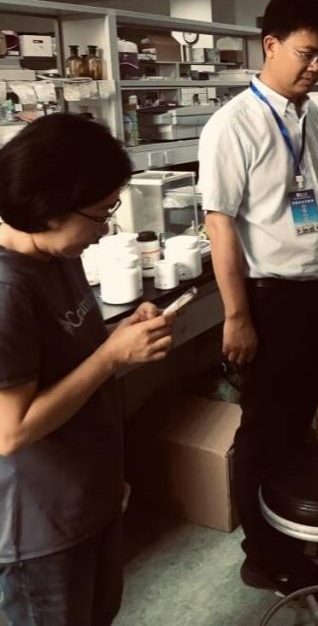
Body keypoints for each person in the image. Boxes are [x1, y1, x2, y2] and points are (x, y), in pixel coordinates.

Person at [0, 113, 175, 626]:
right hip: (40, 527)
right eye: (99, 215)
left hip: (90, 492)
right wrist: (111, 357)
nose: (104, 230)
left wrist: (124, 338)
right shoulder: (8, 290)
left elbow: (75, 355)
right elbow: (11, 431)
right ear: (49, 208)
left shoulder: (60, 256)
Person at [198, 0, 318, 593]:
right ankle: (263, 555)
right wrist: (237, 317)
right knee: (263, 430)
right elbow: (220, 224)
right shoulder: (233, 125)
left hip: (316, 294)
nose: (317, 66)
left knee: (296, 422)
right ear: (271, 45)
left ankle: (293, 526)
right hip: (270, 301)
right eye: (307, 54)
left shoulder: (309, 116)